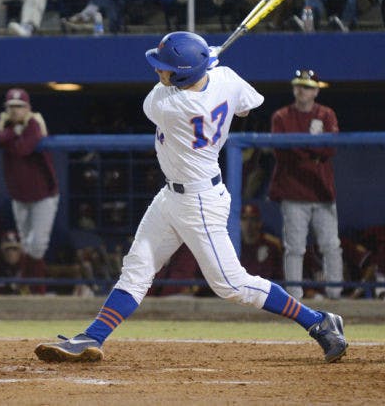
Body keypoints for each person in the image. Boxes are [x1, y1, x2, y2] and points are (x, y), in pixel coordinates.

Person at [34, 31, 347, 364]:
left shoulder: (168, 104)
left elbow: (172, 91)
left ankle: (318, 321)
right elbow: (245, 107)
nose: (158, 71)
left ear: (182, 74)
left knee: (231, 284)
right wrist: (208, 68)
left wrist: (203, 63)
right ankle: (92, 337)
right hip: (172, 196)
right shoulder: (226, 79)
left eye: (166, 67)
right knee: (137, 268)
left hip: (199, 201)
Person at [268, 68, 344, 300]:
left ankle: (335, 293)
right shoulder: (281, 116)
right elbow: (283, 154)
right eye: (300, 86)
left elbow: (330, 149)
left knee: (331, 245)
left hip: (321, 191)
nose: (303, 90)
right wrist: (314, 148)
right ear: (294, 88)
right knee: (294, 248)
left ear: (315, 92)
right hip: (292, 192)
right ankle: (294, 296)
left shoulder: (326, 114)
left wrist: (302, 146)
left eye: (309, 87)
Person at [0, 88, 59, 295]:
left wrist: (4, 137)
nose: (15, 111)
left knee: (37, 245)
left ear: (28, 108)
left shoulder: (34, 122)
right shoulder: (4, 123)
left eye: (20, 107)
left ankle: (35, 289)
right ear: (6, 108)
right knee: (26, 244)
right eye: (11, 107)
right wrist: (10, 132)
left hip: (44, 195)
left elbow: (22, 149)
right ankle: (29, 289)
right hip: (19, 196)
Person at [238, 203, 284, 281]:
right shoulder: (235, 246)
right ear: (239, 223)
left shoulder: (272, 245)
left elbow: (280, 276)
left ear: (259, 222)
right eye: (244, 219)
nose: (248, 224)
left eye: (253, 219)